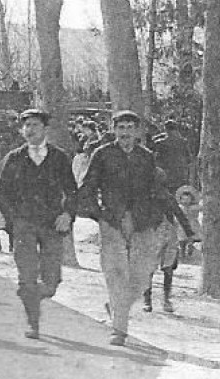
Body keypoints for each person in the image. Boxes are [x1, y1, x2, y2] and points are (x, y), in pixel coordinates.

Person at [77, 109, 180, 347]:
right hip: (112, 220)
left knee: (143, 276)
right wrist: (99, 215)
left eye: (130, 128)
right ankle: (119, 330)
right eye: (121, 128)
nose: (125, 133)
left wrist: (160, 216)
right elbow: (88, 186)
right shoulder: (102, 154)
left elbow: (157, 189)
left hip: (142, 221)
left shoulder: (147, 156)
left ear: (137, 132)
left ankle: (116, 306)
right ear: (114, 130)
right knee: (116, 274)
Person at [0, 108, 78, 339]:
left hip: (52, 225)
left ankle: (31, 293)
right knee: (27, 273)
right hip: (24, 225)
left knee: (52, 281)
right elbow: (1, 194)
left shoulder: (59, 158)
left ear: (45, 129)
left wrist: (67, 214)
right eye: (26, 126)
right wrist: (13, 221)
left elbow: (72, 192)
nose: (30, 130)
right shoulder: (15, 158)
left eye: (35, 125)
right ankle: (33, 322)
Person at [143, 184, 199, 314]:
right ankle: (160, 300)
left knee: (153, 269)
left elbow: (179, 215)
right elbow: (180, 215)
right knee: (162, 269)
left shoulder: (154, 197)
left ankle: (152, 301)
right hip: (159, 234)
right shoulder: (153, 197)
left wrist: (189, 234)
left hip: (161, 234)